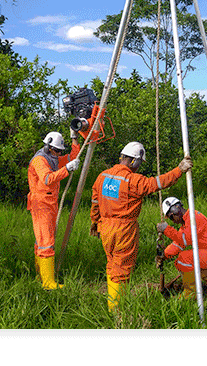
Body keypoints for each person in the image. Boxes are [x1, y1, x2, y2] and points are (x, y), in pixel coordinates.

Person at [90, 142, 192, 310]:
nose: (138, 167)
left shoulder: (102, 177)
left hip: (105, 226)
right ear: (133, 161)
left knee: (112, 264)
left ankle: (112, 302)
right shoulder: (132, 180)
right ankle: (116, 310)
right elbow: (158, 183)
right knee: (121, 269)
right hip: (123, 229)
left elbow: (95, 201)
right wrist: (179, 170)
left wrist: (94, 221)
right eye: (139, 163)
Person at [27, 130, 81, 289]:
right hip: (41, 205)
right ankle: (48, 283)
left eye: (60, 151)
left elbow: (73, 156)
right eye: (57, 150)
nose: (59, 154)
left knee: (42, 241)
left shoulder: (53, 158)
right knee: (46, 243)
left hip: (49, 204)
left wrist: (74, 137)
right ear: (48, 147)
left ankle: (41, 277)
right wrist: (67, 169)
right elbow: (47, 179)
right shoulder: (39, 160)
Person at [157, 196, 207, 298]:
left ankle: (191, 292)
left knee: (184, 258)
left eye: (171, 217)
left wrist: (167, 229)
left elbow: (185, 239)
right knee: (181, 262)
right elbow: (178, 244)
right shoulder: (186, 222)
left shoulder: (194, 218)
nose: (173, 221)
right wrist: (164, 255)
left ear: (176, 209)